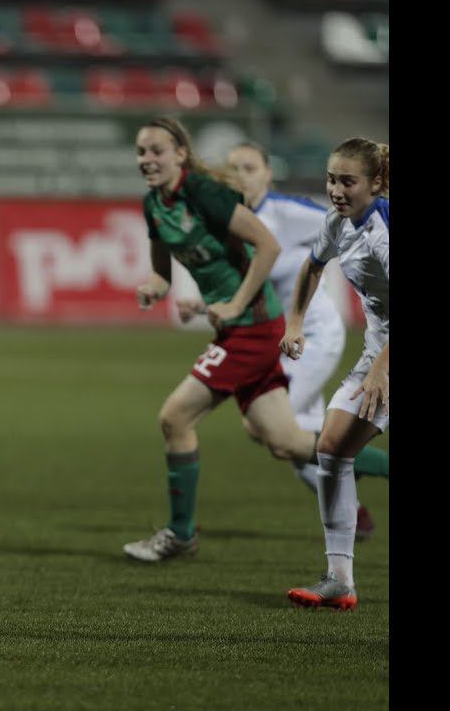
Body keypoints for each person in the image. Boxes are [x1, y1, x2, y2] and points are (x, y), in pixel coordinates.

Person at [122, 117, 387, 563]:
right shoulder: (155, 205)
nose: (147, 159)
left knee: (175, 417)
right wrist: (155, 286)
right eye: (141, 151)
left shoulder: (204, 193)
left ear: (181, 154)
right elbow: (162, 272)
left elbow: (268, 246)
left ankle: (180, 534)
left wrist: (236, 304)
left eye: (157, 151)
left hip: (255, 327)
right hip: (249, 327)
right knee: (288, 441)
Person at [282, 138, 389, 611]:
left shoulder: (384, 230)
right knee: (330, 448)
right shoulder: (337, 222)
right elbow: (312, 266)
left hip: (385, 358)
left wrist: (381, 369)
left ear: (376, 183)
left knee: (333, 448)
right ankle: (340, 580)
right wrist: (295, 322)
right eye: (331, 179)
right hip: (380, 352)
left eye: (348, 181)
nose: (336, 190)